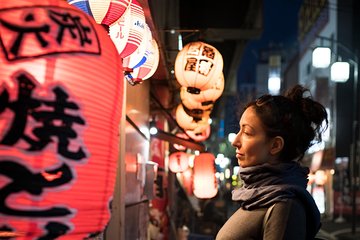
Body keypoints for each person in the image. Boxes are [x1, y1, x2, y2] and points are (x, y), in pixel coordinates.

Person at [216, 85, 328, 240]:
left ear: (275, 145)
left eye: (247, 132)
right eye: (239, 130)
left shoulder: (284, 206)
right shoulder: (259, 196)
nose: (235, 141)